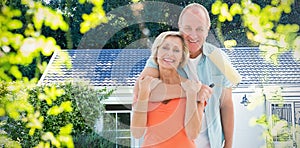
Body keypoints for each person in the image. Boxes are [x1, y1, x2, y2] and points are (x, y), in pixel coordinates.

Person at [134, 3, 241, 148]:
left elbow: (226, 104)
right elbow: (142, 90)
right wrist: (192, 91)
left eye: (199, 29)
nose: (193, 35)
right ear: (180, 26)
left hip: (211, 143)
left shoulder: (218, 59)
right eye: (188, 28)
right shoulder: (166, 58)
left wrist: (228, 144)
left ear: (207, 29)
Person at [131, 31, 208, 147]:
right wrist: (144, 93)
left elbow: (193, 134)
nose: (170, 54)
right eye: (165, 48)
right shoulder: (145, 86)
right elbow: (137, 133)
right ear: (156, 53)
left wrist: (191, 94)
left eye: (176, 50)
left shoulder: (193, 87)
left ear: (182, 57)